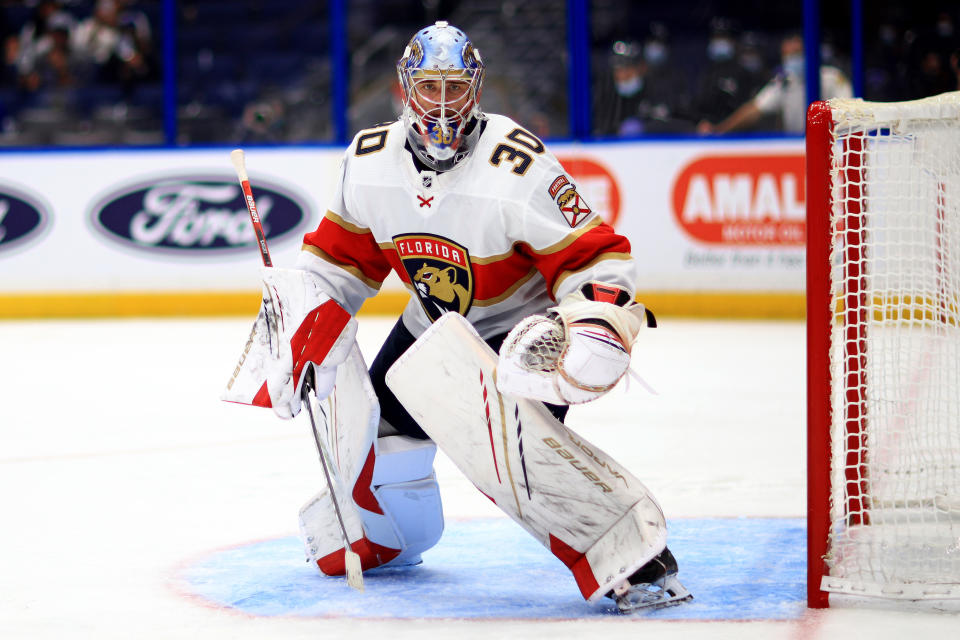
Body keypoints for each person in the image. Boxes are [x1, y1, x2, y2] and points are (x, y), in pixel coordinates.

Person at [229, 21, 691, 614]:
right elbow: (340, 262)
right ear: (405, 89)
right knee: (379, 431)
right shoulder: (369, 161)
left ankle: (635, 558)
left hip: (517, 333)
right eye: (429, 87)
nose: (442, 104)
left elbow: (593, 253)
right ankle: (391, 535)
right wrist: (299, 324)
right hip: (430, 325)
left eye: (454, 87)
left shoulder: (516, 166)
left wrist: (596, 322)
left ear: (476, 89)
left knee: (510, 452)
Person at [698, 33, 852, 134]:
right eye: (788, 55)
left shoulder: (831, 77)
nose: (792, 60)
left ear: (808, 53)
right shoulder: (785, 81)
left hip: (833, 145)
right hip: (799, 146)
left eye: (796, 54)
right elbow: (754, 109)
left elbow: (850, 113)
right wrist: (720, 130)